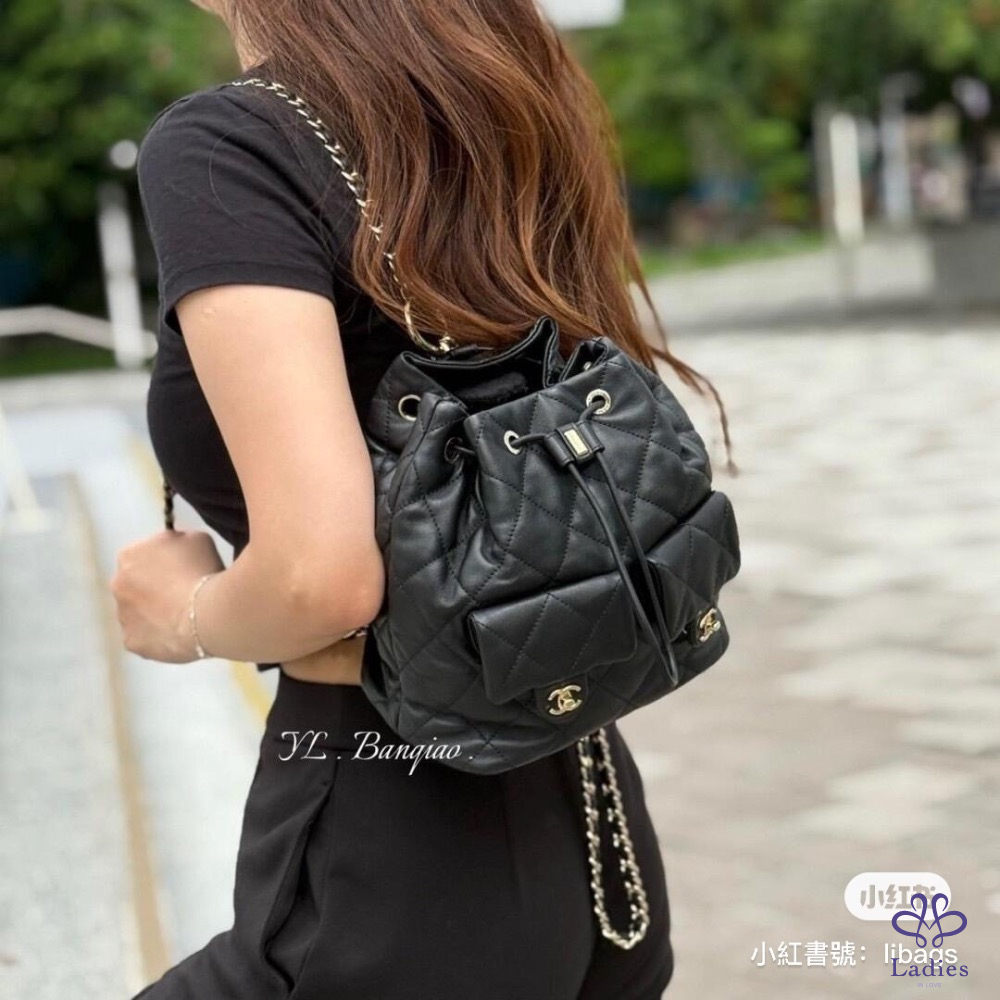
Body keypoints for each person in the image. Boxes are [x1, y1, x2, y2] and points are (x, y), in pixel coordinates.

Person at [108, 1, 726, 996]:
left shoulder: (227, 145)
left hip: (389, 832)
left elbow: (322, 579)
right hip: (592, 822)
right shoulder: (499, 97)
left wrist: (182, 614)